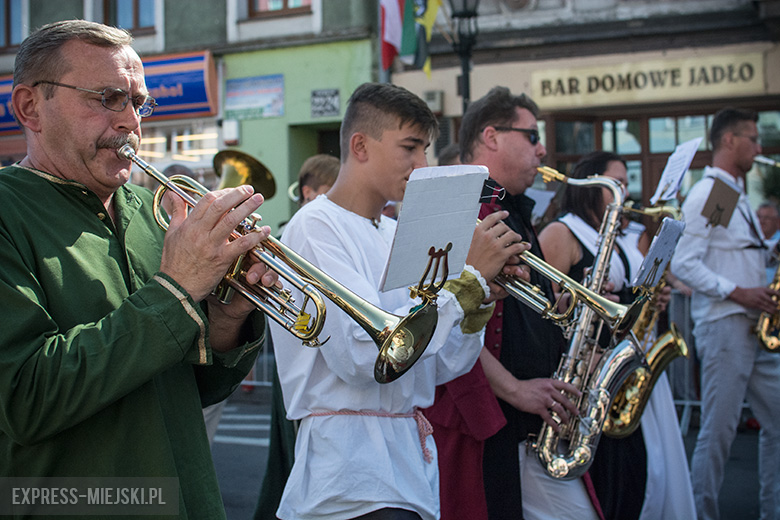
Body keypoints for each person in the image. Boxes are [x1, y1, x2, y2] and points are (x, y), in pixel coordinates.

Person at [1, 20, 278, 518]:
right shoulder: (7, 211)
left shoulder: (151, 211)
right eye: (107, 98)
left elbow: (194, 388)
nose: (131, 121)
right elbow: (25, 398)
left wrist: (227, 319)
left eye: (138, 102)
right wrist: (176, 288)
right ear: (29, 107)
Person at [272, 82, 528, 520]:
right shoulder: (314, 227)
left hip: (409, 468)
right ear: (361, 146)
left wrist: (476, 304)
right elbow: (362, 355)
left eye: (426, 150)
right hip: (349, 473)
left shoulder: (396, 232)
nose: (422, 165)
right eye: (410, 148)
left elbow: (441, 365)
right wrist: (463, 284)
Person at [424, 86, 591, 520]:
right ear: (492, 136)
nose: (543, 149)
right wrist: (515, 389)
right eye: (531, 136)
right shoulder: (454, 201)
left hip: (526, 415)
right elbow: (443, 319)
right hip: (486, 418)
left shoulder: (512, 206)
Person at [537, 151, 696, 520]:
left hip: (618, 370)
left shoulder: (614, 233)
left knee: (642, 472)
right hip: (589, 372)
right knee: (613, 479)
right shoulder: (562, 232)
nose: (625, 191)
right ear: (593, 185)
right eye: (618, 183)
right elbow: (544, 307)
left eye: (626, 182)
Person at [671, 107, 780, 520]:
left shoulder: (731, 192)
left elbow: (731, 253)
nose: (760, 146)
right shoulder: (715, 193)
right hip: (728, 326)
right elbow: (684, 263)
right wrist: (739, 292)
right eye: (752, 138)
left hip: (750, 327)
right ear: (729, 141)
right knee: (716, 434)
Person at [253, 152, 340, 520]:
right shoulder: (299, 232)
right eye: (327, 192)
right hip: (301, 363)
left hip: (317, 358)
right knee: (290, 458)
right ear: (307, 192)